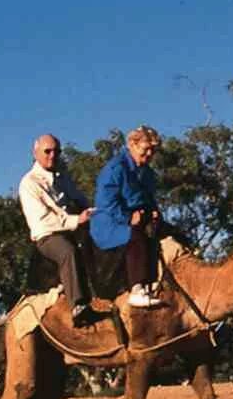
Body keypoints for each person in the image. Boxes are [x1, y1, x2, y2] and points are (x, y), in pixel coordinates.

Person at [20, 133, 94, 326]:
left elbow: (78, 198)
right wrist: (77, 220)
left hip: (74, 227)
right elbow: (43, 220)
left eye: (57, 151)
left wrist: (92, 211)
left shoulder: (63, 176)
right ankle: (79, 305)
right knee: (68, 252)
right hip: (48, 236)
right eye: (48, 151)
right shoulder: (29, 183)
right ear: (35, 153)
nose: (53, 155)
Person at [90, 126, 166, 308]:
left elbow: (148, 197)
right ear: (132, 144)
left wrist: (154, 211)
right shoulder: (115, 169)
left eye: (153, 150)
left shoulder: (147, 173)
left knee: (169, 233)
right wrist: (127, 218)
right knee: (136, 237)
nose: (149, 154)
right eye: (145, 149)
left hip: (139, 217)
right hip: (109, 223)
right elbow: (106, 203)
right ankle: (137, 289)